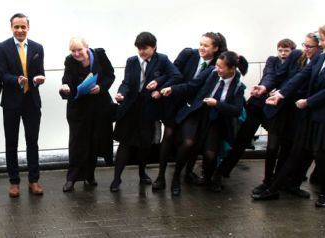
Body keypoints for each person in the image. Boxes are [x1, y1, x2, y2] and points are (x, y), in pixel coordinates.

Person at [258, 23, 325, 208]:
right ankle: (273, 189)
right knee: (299, 151)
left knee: (321, 155)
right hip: (312, 114)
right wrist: (281, 94)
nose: (320, 42)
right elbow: (301, 76)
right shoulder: (321, 57)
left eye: (322, 39)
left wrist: (308, 102)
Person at [214, 39, 298, 191]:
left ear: (294, 52)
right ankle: (222, 172)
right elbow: (269, 76)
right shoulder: (272, 61)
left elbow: (291, 82)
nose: (283, 53)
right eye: (280, 50)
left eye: (287, 51)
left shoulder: (296, 65)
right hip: (258, 105)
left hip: (277, 109)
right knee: (241, 140)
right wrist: (266, 87)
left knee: (273, 146)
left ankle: (271, 180)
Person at [160, 51, 247, 196]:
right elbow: (191, 86)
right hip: (196, 113)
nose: (217, 69)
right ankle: (176, 178)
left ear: (232, 69)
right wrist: (172, 89)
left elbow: (237, 110)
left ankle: (207, 178)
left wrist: (217, 104)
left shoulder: (238, 86)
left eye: (221, 67)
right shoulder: (211, 72)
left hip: (215, 119)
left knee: (210, 154)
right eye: (217, 65)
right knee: (188, 143)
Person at [111, 32, 180, 192]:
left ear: (154, 47)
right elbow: (126, 82)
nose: (141, 52)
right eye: (139, 49)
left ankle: (142, 172)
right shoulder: (132, 61)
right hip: (131, 107)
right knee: (125, 143)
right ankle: (116, 178)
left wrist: (160, 87)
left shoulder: (161, 59)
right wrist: (121, 93)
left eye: (145, 48)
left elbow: (176, 76)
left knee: (145, 144)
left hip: (149, 107)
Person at [160, 32, 228, 189]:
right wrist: (161, 86)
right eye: (201, 44)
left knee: (192, 142)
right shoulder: (188, 54)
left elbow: (196, 87)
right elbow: (172, 73)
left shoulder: (216, 67)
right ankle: (161, 176)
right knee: (168, 135)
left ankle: (186, 172)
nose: (201, 48)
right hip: (175, 101)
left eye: (206, 45)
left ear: (215, 48)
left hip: (194, 107)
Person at [0, 13, 46, 197]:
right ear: (11, 28)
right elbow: (2, 74)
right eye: (16, 27)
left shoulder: (37, 47)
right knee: (12, 143)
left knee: (32, 142)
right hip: (11, 102)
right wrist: (16, 80)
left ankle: (34, 180)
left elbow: (39, 72)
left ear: (28, 27)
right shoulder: (2, 48)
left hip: (31, 101)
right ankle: (14, 182)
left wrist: (39, 79)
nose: (20, 30)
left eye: (23, 26)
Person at [59, 37, 114, 192]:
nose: (76, 54)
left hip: (98, 107)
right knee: (77, 143)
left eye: (79, 50)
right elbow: (67, 79)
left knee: (94, 142)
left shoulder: (100, 55)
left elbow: (110, 75)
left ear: (87, 47)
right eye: (73, 51)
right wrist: (65, 88)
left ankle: (90, 176)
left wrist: (101, 87)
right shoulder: (69, 61)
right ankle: (71, 179)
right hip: (78, 108)